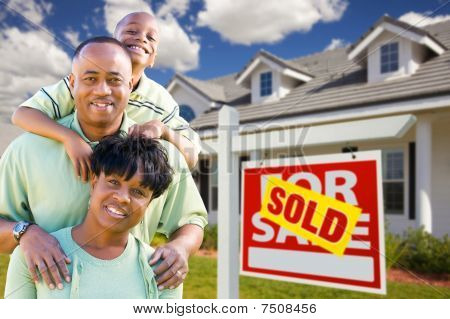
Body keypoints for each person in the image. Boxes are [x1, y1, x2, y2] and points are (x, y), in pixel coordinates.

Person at [0, 37, 207, 293]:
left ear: (130, 85)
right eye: (90, 79)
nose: (102, 90)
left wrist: (181, 247)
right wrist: (25, 232)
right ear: (72, 83)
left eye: (114, 80)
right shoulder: (27, 150)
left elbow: (192, 220)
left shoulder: (161, 155)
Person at [11, 11, 200, 177]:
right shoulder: (82, 83)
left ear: (153, 59)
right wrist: (69, 138)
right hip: (70, 173)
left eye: (151, 38)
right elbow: (23, 114)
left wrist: (163, 130)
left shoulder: (161, 100)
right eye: (132, 31)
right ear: (113, 43)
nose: (142, 38)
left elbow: (191, 157)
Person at [5, 135, 181, 299]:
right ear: (94, 183)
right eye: (113, 182)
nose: (122, 197)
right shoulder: (33, 254)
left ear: (148, 205)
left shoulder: (164, 270)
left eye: (138, 192)